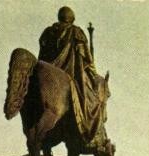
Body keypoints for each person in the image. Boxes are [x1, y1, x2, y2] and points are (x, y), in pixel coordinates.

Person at [38, 6, 104, 145]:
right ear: (72, 19)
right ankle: (86, 130)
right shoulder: (76, 32)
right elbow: (88, 59)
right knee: (90, 99)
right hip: (71, 74)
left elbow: (42, 56)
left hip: (47, 73)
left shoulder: (48, 33)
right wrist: (92, 72)